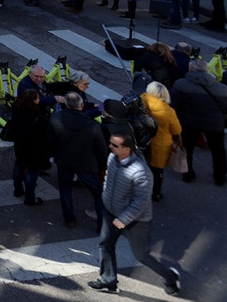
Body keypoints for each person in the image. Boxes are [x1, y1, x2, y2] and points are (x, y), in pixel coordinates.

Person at [88, 132, 182, 295]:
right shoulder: (112, 158)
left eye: (114, 145)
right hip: (111, 212)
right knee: (105, 244)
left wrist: (123, 219)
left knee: (142, 256)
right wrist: (105, 198)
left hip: (136, 221)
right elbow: (107, 179)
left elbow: (141, 201)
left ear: (127, 149)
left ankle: (170, 277)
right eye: (110, 143)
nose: (110, 147)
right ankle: (108, 280)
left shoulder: (140, 171)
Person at [48, 91, 106, 229]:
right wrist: (102, 166)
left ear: (66, 104)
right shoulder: (92, 126)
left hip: (64, 160)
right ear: (81, 105)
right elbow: (101, 149)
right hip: (87, 163)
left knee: (65, 190)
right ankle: (102, 224)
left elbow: (50, 141)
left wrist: (53, 156)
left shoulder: (55, 118)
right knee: (97, 193)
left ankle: (69, 219)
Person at [169, 57, 227, 186]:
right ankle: (220, 177)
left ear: (191, 69)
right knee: (218, 150)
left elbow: (174, 106)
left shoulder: (181, 84)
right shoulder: (222, 89)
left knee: (187, 149)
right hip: (214, 124)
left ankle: (188, 174)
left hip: (190, 122)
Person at [141, 80, 182, 202]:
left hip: (143, 137)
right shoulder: (169, 112)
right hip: (161, 143)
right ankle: (156, 193)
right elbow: (176, 130)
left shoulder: (142, 100)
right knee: (157, 170)